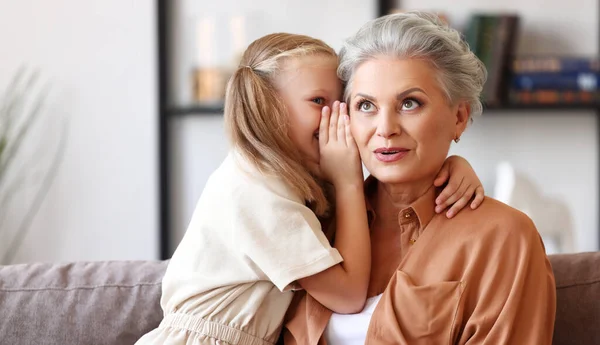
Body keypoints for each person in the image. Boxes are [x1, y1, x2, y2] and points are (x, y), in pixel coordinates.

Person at [135, 32, 484, 345]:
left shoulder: (284, 178)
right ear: (268, 108)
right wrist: (347, 182)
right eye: (319, 101)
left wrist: (450, 165)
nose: (339, 116)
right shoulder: (256, 192)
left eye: (343, 103)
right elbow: (347, 296)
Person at [283, 12, 556, 345]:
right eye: (366, 105)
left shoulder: (503, 236)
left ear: (459, 117)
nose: (385, 128)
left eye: (409, 103)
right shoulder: (313, 223)